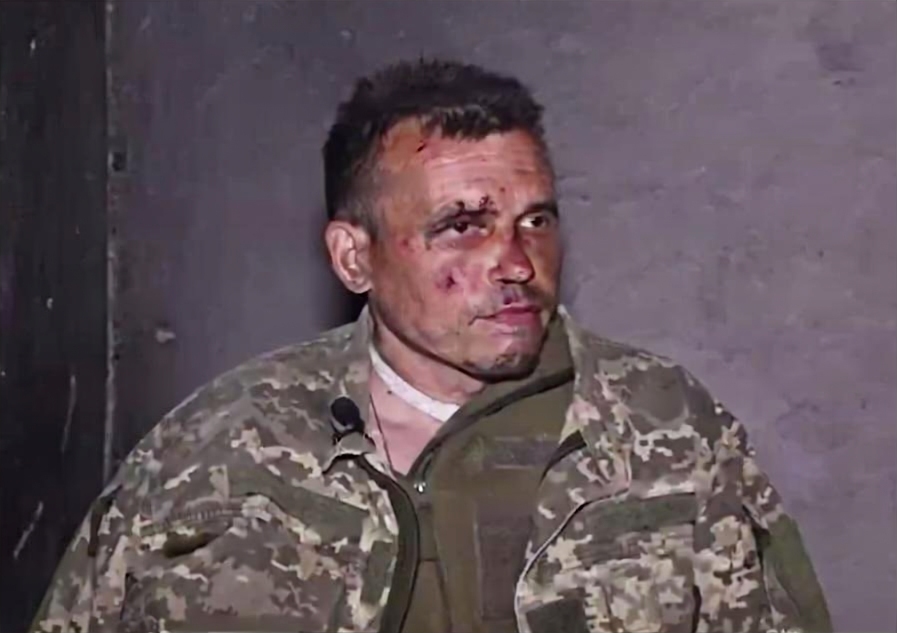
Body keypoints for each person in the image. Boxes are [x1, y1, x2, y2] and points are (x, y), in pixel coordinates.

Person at [30, 58, 832, 633]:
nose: (516, 263)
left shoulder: (666, 434)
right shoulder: (215, 452)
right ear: (354, 257)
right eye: (462, 225)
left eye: (535, 220)